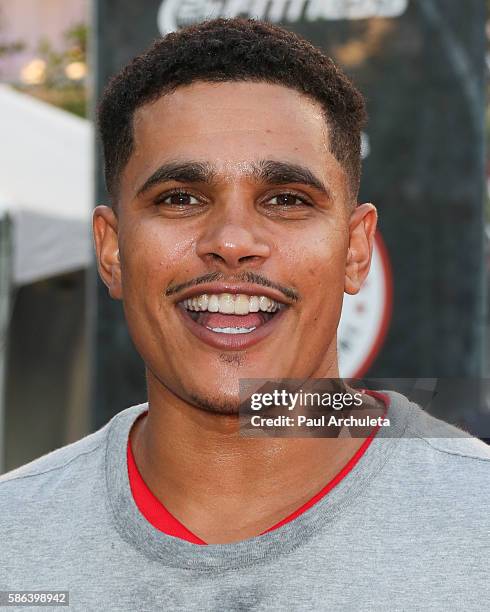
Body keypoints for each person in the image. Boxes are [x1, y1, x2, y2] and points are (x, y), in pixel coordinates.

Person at [1, 18, 488, 612]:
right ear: (111, 250)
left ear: (356, 250)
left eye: (286, 200)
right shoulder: (13, 540)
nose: (232, 241)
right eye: (180, 198)